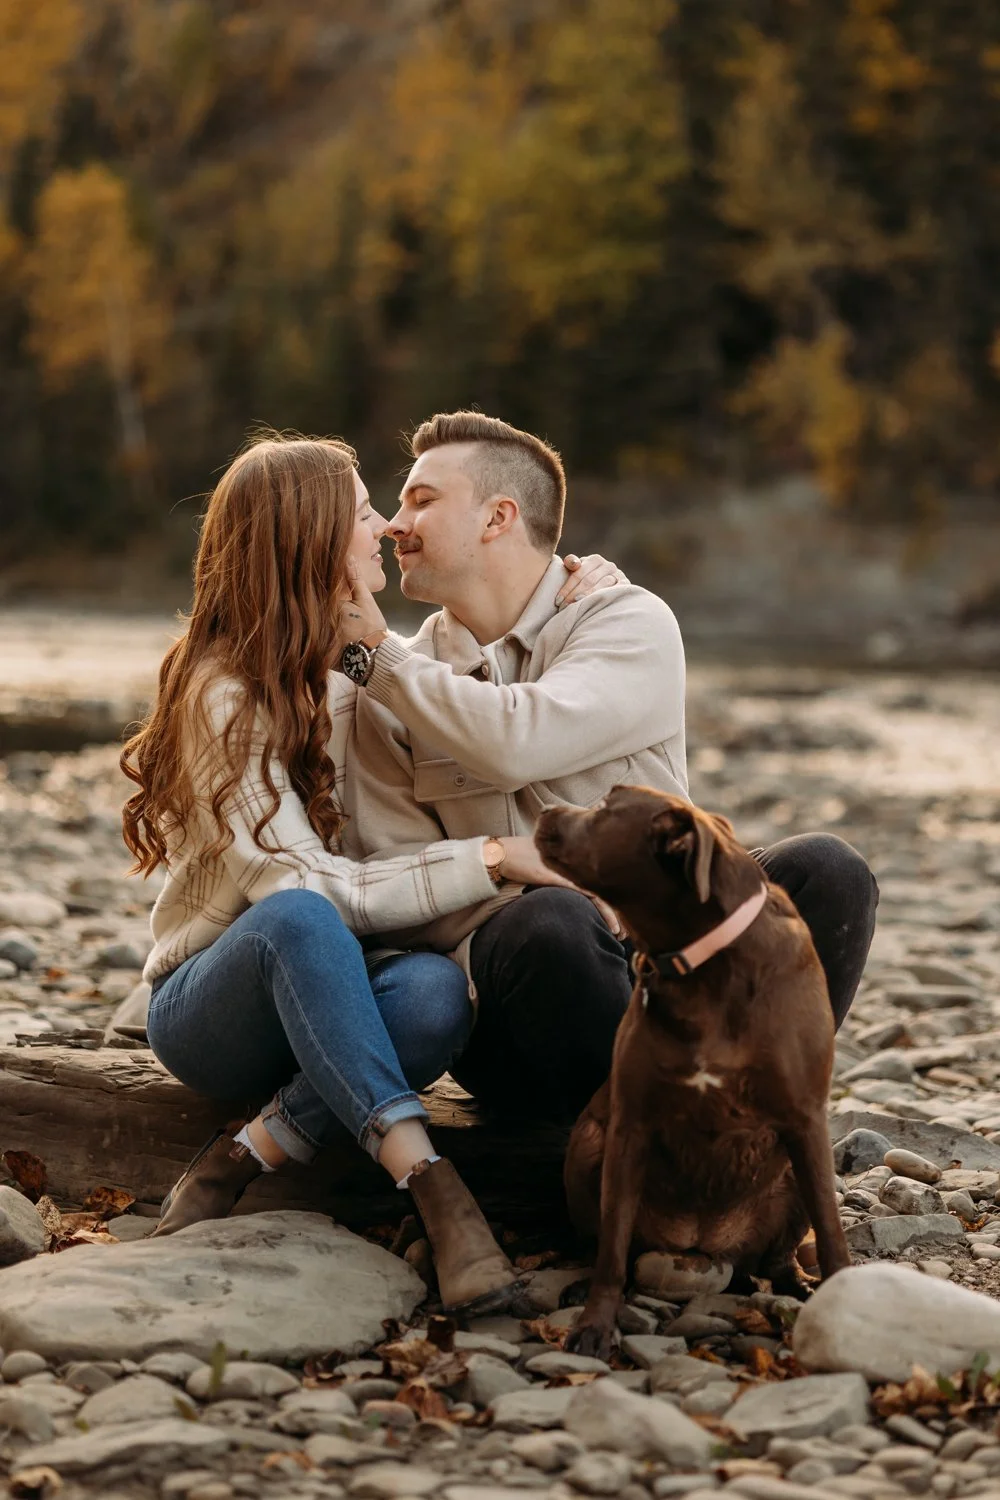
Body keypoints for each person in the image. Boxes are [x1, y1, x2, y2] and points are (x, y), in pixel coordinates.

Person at [120, 432, 620, 1315]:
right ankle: (434, 1190)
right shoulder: (220, 692)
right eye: (363, 514)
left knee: (430, 994)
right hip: (214, 1004)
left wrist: (569, 589)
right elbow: (305, 889)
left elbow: (472, 690)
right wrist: (497, 858)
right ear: (312, 540)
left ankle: (251, 1152)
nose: (387, 527)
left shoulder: (351, 673)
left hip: (335, 983)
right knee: (302, 917)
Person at [339, 411, 880, 1123]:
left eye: (421, 500)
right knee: (552, 922)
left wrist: (378, 656)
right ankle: (668, 1147)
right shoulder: (384, 687)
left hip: (673, 974)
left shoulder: (626, 622)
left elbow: (517, 739)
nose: (390, 525)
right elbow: (393, 889)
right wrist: (514, 873)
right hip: (525, 1006)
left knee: (829, 870)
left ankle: (755, 1129)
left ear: (498, 518)